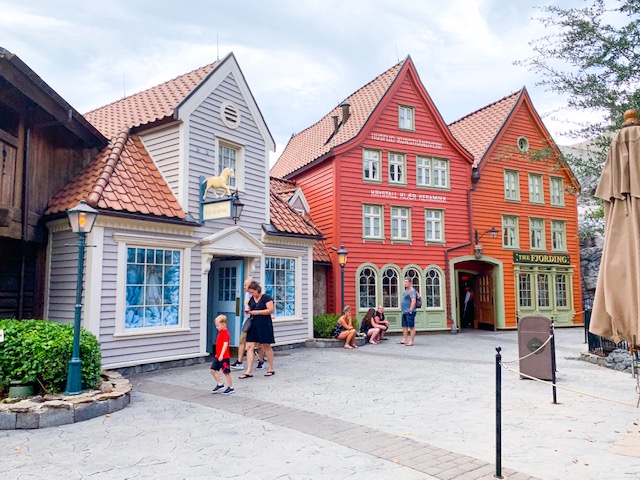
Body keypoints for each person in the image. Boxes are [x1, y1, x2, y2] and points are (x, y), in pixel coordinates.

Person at [240, 281, 276, 378]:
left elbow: (270, 310)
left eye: (252, 292)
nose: (251, 294)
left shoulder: (266, 297)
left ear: (257, 290)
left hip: (264, 324)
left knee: (266, 345)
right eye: (250, 293)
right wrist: (249, 311)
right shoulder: (252, 299)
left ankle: (271, 368)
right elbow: (250, 308)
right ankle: (249, 370)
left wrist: (257, 312)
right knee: (250, 347)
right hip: (253, 324)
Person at [231, 278, 266, 370]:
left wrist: (256, 312)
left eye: (246, 285)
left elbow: (268, 307)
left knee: (259, 344)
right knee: (242, 341)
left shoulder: (260, 296)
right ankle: (239, 361)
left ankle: (261, 360)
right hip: (247, 322)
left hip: (257, 322)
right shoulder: (247, 295)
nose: (244, 287)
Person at [210, 315, 234, 395]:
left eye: (218, 325)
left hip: (224, 357)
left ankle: (230, 387)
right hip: (218, 356)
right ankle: (219, 384)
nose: (217, 327)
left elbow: (225, 345)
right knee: (213, 370)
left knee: (226, 372)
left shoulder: (226, 333)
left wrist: (221, 355)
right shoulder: (220, 332)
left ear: (223, 324)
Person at [399, 277, 417, 346]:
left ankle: (411, 341)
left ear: (410, 283)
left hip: (410, 311)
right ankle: (405, 339)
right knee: (404, 325)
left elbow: (413, 301)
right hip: (404, 311)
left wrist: (410, 310)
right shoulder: (406, 290)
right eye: (404, 282)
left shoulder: (412, 290)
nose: (405, 283)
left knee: (411, 326)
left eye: (406, 282)